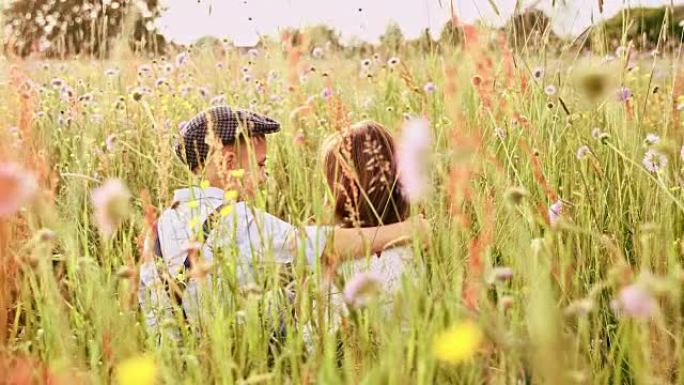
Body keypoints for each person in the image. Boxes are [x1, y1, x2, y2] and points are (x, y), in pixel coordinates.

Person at [137, 106, 427, 340]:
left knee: (291, 296)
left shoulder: (163, 222)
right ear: (226, 163)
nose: (265, 178)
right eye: (261, 165)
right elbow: (327, 246)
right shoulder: (237, 220)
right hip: (212, 351)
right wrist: (411, 230)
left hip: (171, 352)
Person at [320, 120, 418, 311]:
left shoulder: (343, 260)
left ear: (344, 192)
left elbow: (316, 334)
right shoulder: (407, 248)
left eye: (328, 185)